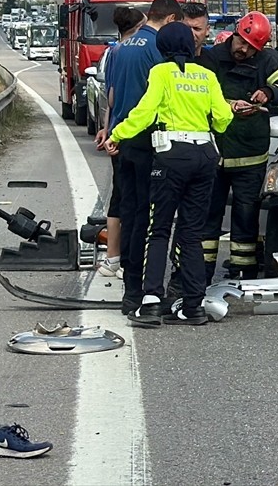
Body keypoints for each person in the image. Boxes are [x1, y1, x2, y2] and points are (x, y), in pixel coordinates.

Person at [104, 22, 232, 326]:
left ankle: (150, 301)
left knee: (158, 229)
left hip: (172, 155)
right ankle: (193, 305)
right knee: (191, 233)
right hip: (205, 154)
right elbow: (223, 116)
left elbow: (145, 112)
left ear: (162, 47)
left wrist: (117, 134)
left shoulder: (161, 72)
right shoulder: (207, 75)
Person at [195, 11, 278, 281]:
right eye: (242, 42)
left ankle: (244, 272)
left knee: (246, 217)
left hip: (250, 156)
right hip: (215, 153)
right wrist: (229, 105)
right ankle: (200, 274)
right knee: (207, 216)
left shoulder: (270, 61)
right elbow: (200, 95)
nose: (244, 50)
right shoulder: (212, 58)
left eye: (251, 48)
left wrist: (269, 93)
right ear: (236, 33)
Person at [105, 0, 183, 315]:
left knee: (129, 212)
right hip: (148, 140)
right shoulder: (157, 49)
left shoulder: (121, 47)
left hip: (122, 140)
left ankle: (130, 290)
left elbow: (111, 97)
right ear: (171, 20)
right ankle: (144, 292)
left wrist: (112, 131)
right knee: (148, 220)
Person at [93, 5, 146, 278]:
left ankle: (112, 257)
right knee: (134, 199)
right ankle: (128, 260)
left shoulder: (114, 52)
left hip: (116, 131)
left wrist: (106, 129)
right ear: (138, 28)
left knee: (119, 195)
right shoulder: (137, 52)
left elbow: (110, 97)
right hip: (134, 132)